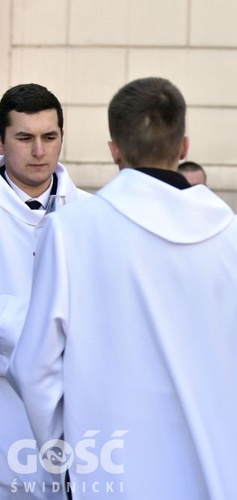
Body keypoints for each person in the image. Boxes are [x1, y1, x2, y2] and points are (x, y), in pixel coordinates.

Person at [10, 77, 237, 499]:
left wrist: (69, 450)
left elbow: (36, 369)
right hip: (224, 473)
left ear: (114, 150)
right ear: (183, 147)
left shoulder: (71, 233)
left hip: (117, 473)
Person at [0, 83, 91, 498]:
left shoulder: (93, 214)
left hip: (79, 418)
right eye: (24, 138)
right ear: (1, 142)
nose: (39, 151)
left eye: (49, 137)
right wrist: (49, 330)